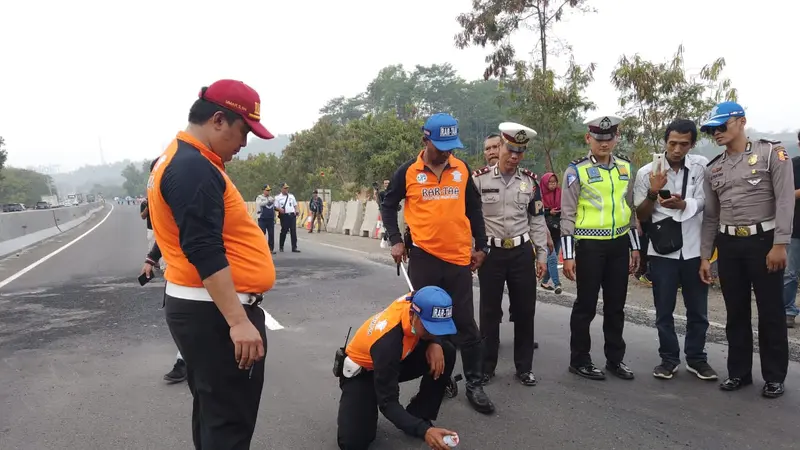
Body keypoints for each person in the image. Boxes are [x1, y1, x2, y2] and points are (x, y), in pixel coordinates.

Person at [147, 79, 276, 448]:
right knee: (229, 423)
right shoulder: (192, 168)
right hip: (216, 315)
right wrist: (238, 321)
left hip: (203, 310)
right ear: (218, 120)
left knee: (213, 414)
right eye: (243, 132)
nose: (243, 144)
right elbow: (203, 248)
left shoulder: (179, 159)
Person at [381, 112, 495, 414]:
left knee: (465, 323)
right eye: (441, 145)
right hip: (423, 258)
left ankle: (475, 382)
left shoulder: (461, 169)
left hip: (458, 258)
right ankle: (436, 379)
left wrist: (481, 246)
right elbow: (388, 203)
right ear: (425, 139)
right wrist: (395, 239)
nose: (447, 152)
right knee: (427, 322)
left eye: (451, 146)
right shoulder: (408, 171)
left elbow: (474, 208)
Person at [699, 101, 793, 398]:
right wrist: (705, 256)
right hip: (729, 245)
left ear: (740, 121)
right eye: (711, 129)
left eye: (721, 126)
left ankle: (774, 376)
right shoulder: (713, 168)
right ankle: (738, 372)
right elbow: (711, 216)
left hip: (763, 242)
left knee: (771, 312)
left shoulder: (770, 154)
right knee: (735, 312)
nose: (716, 133)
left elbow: (785, 200)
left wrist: (780, 243)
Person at [633, 119, 718, 381]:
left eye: (684, 144)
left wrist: (685, 205)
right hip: (662, 253)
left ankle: (696, 358)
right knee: (664, 311)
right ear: (665, 142)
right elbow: (641, 213)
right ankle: (668, 359)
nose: (677, 149)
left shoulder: (702, 167)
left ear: (692, 144)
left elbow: (709, 204)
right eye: (672, 143)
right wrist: (652, 192)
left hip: (694, 250)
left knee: (698, 311)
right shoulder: (647, 171)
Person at [560, 114, 641, 381]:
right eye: (598, 138)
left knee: (616, 306)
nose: (604, 144)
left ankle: (615, 359)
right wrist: (568, 256)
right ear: (588, 138)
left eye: (609, 138)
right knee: (586, 305)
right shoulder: (576, 170)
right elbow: (567, 215)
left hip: (618, 245)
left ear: (616, 138)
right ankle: (579, 359)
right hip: (589, 247)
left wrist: (635, 248)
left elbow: (630, 212)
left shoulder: (625, 168)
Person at [472, 122, 548, 387]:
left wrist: (541, 255)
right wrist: (473, 249)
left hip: (520, 252)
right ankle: (486, 367)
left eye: (520, 151)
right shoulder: (479, 179)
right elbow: (469, 218)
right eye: (510, 149)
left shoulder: (529, 181)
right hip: (491, 253)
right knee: (489, 312)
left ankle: (524, 368)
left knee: (526, 311)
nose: (514, 156)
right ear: (500, 146)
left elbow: (537, 221)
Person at [336, 286, 460, 450]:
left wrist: (435, 342)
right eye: (429, 328)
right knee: (353, 443)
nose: (434, 332)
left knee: (446, 350)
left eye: (439, 328)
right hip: (364, 373)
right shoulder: (387, 343)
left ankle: (419, 412)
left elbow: (434, 323)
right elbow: (388, 403)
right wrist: (425, 431)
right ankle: (368, 398)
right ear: (412, 315)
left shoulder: (419, 300)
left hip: (397, 359)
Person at [783, 147, 800, 328]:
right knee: (790, 273)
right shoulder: (792, 165)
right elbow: (784, 195)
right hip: (795, 228)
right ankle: (788, 310)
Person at [539, 172, 563, 294]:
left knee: (552, 259)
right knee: (553, 258)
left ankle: (544, 281)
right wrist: (549, 211)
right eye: (550, 182)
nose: (553, 184)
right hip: (545, 231)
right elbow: (536, 213)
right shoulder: (539, 194)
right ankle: (557, 283)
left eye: (554, 182)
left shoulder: (560, 192)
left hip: (558, 230)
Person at [275, 183, 300, 252]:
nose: (286, 190)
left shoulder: (291, 196)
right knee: (284, 231)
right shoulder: (278, 197)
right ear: (281, 189)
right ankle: (281, 246)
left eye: (287, 188)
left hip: (292, 215)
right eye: (285, 188)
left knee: (293, 231)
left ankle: (294, 247)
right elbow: (275, 207)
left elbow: (295, 205)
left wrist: (296, 210)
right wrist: (280, 210)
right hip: (284, 216)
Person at [256, 185, 277, 254]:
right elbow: (260, 204)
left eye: (269, 190)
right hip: (262, 218)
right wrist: (267, 201)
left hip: (270, 219)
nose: (268, 192)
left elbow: (273, 208)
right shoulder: (260, 197)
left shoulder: (271, 198)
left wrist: (275, 217)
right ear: (263, 190)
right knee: (262, 234)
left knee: (271, 234)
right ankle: (261, 248)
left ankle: (271, 249)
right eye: (267, 190)